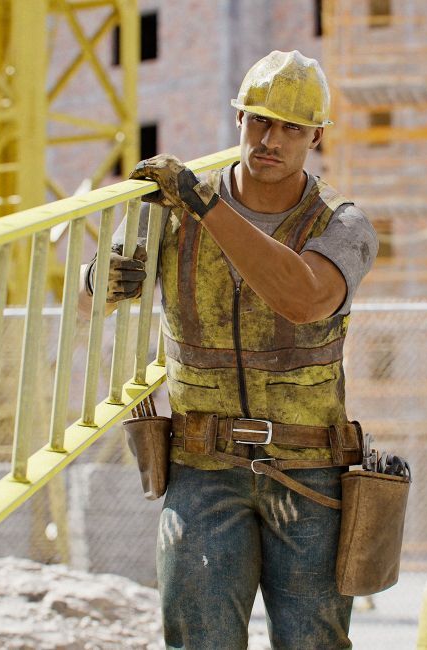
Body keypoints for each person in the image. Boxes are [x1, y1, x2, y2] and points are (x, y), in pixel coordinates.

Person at [82, 50, 378, 649]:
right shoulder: (171, 208)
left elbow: (304, 297)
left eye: (291, 127)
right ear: (238, 117)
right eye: (258, 121)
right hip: (202, 469)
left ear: (315, 135)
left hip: (309, 474)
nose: (270, 139)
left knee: (313, 643)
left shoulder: (341, 224)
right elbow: (98, 289)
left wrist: (205, 205)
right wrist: (101, 277)